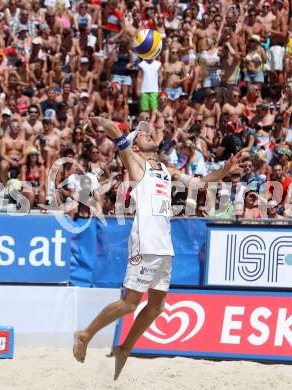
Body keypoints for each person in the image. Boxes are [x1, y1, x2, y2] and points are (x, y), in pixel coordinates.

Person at [72, 116, 243, 380]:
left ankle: (124, 348)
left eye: (148, 133)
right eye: (142, 135)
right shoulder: (135, 161)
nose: (148, 134)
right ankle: (84, 334)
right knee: (129, 304)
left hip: (164, 244)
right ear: (135, 147)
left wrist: (226, 169)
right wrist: (96, 119)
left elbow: (199, 183)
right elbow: (115, 132)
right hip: (146, 242)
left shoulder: (165, 169)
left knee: (157, 306)